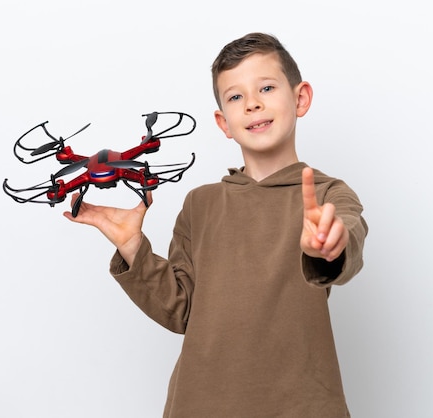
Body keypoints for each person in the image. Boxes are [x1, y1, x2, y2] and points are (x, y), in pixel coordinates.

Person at [64, 32, 368, 418]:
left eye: (267, 87)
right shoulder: (200, 204)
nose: (253, 103)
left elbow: (348, 235)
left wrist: (329, 246)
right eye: (236, 96)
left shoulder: (327, 195)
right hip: (201, 404)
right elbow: (180, 311)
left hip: (301, 405)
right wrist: (132, 248)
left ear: (300, 98)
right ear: (224, 122)